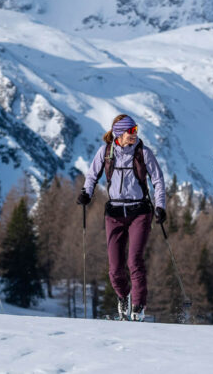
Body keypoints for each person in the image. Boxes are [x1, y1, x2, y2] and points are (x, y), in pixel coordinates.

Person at [76, 114, 167, 321]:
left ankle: (138, 306)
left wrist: (160, 206)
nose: (134, 134)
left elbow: (158, 181)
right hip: (115, 213)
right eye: (131, 131)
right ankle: (123, 296)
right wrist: (86, 193)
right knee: (115, 268)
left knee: (134, 260)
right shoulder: (106, 152)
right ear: (119, 133)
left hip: (140, 212)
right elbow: (91, 176)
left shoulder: (144, 153)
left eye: (136, 130)